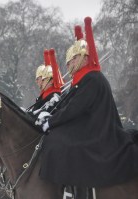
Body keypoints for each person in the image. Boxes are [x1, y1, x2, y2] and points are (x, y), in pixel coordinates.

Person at [36, 17, 138, 195]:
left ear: (83, 58)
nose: (69, 65)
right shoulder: (84, 79)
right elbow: (66, 104)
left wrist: (51, 123)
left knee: (58, 141)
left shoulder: (92, 79)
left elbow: (75, 108)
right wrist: (49, 117)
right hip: (90, 127)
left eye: (72, 60)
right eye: (68, 62)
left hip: (99, 132)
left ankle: (75, 191)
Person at [27, 49, 64, 118]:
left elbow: (42, 114)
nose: (38, 82)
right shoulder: (45, 95)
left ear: (51, 81)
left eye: (42, 79)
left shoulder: (54, 97)